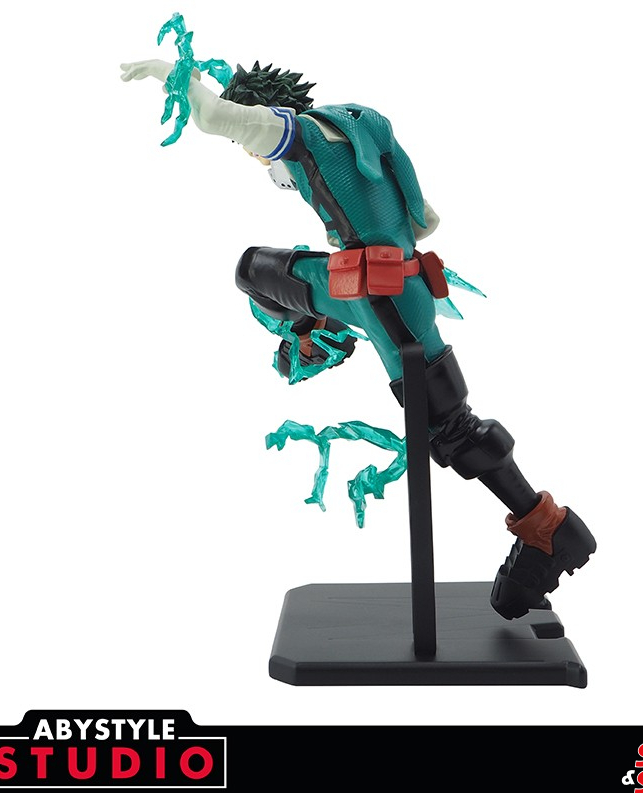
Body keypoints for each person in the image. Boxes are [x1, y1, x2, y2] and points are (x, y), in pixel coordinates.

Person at [120, 58, 597, 620]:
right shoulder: (359, 122)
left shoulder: (291, 133)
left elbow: (212, 116)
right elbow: (424, 217)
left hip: (382, 297)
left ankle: (547, 529)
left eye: (248, 146)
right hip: (367, 282)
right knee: (255, 269)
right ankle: (314, 333)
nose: (253, 156)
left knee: (449, 426)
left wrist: (172, 74)